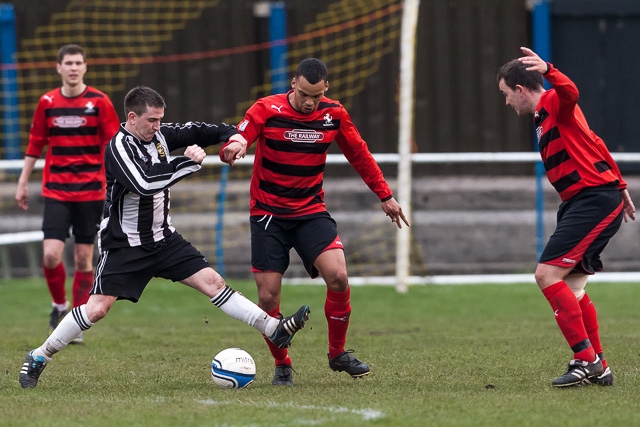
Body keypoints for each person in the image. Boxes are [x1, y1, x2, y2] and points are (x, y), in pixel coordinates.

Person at [19, 85, 310, 389]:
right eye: (152, 121)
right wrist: (187, 162)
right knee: (97, 308)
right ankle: (39, 356)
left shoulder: (158, 134)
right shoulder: (118, 147)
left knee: (214, 283)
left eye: (160, 120)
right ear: (132, 118)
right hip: (125, 245)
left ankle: (274, 328)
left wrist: (234, 136)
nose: (158, 127)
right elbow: (145, 183)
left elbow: (198, 130)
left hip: (164, 239)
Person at [220, 58, 410, 386]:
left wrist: (385, 195)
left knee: (337, 276)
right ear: (293, 84)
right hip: (268, 215)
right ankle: (283, 363)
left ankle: (337, 353)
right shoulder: (267, 108)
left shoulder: (333, 114)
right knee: (267, 299)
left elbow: (360, 154)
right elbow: (243, 133)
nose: (310, 102)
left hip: (310, 211)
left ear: (326, 90)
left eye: (317, 96)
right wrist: (233, 148)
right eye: (305, 94)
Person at [497, 47, 636, 388]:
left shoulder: (552, 103)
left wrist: (549, 69)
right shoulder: (542, 117)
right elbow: (595, 142)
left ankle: (584, 359)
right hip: (586, 200)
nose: (506, 103)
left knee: (546, 274)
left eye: (505, 94)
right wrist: (620, 184)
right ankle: (599, 366)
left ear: (520, 90)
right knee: (572, 287)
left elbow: (570, 91)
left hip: (593, 200)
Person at [15, 44, 121, 343]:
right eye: (68, 63)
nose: (73, 68)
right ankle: (59, 305)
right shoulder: (47, 101)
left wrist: (117, 183)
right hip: (57, 190)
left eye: (78, 63)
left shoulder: (100, 102)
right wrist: (23, 181)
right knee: (50, 255)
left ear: (85, 67)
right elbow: (36, 143)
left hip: (91, 191)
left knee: (84, 259)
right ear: (59, 68)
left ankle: (73, 323)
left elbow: (114, 146)